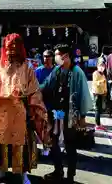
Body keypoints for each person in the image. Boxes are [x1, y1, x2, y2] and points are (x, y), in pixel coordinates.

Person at [0, 33, 49, 184]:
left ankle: (22, 173)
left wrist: (33, 106)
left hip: (20, 112)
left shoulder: (27, 67)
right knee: (1, 144)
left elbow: (34, 90)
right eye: (9, 48)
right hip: (2, 112)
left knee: (20, 145)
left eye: (14, 48)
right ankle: (1, 171)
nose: (11, 51)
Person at [40, 44, 92, 183]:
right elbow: (45, 86)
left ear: (66, 56)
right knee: (54, 142)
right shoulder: (56, 70)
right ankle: (58, 170)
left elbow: (84, 96)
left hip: (71, 114)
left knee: (70, 145)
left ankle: (70, 175)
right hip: (57, 113)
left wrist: (82, 117)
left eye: (57, 55)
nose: (55, 57)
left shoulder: (77, 72)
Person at [92, 59, 107, 130]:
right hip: (97, 93)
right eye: (100, 65)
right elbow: (95, 83)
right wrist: (101, 81)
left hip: (101, 93)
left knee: (100, 109)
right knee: (97, 109)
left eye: (103, 66)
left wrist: (105, 91)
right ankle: (97, 125)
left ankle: (98, 122)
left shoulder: (103, 74)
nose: (102, 67)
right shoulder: (95, 73)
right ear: (97, 66)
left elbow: (105, 84)